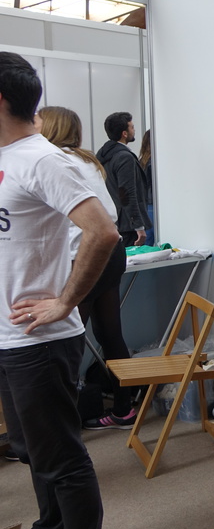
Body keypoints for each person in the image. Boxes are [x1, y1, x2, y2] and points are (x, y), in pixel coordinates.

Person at [0, 52, 119, 529]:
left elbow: (103, 231)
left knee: (61, 458)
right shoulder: (8, 158)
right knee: (31, 451)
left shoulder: (44, 160)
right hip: (9, 336)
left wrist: (65, 301)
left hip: (40, 341)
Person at [36, 106, 137, 430]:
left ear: (50, 127)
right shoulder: (87, 161)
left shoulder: (54, 162)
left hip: (86, 254)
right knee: (109, 333)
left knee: (68, 339)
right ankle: (124, 409)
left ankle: (62, 424)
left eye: (37, 121)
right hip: (111, 251)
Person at [96, 112, 150, 247]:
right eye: (132, 127)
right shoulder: (124, 157)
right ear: (124, 133)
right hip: (127, 225)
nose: (134, 130)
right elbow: (127, 193)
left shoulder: (103, 155)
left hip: (113, 220)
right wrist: (138, 226)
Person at [138, 129, 154, 246]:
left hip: (145, 205)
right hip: (153, 203)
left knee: (147, 241)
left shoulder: (141, 162)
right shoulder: (154, 162)